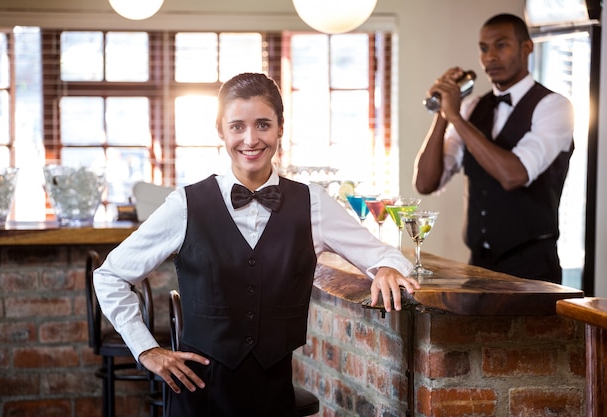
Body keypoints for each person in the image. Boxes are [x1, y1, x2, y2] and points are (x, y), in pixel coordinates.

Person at [95, 72, 419, 416]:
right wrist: (146, 350)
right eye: (237, 126)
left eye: (263, 124)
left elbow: (387, 254)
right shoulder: (186, 204)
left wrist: (385, 268)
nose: (250, 139)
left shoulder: (313, 203)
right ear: (221, 131)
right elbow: (110, 276)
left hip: (271, 395)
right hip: (198, 395)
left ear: (281, 127)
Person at [413, 13, 574, 284]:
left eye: (501, 45)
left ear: (526, 48)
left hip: (533, 270)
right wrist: (443, 114)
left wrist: (456, 117)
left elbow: (515, 175)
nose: (490, 57)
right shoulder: (472, 107)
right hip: (478, 267)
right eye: (484, 48)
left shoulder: (555, 107)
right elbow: (425, 183)